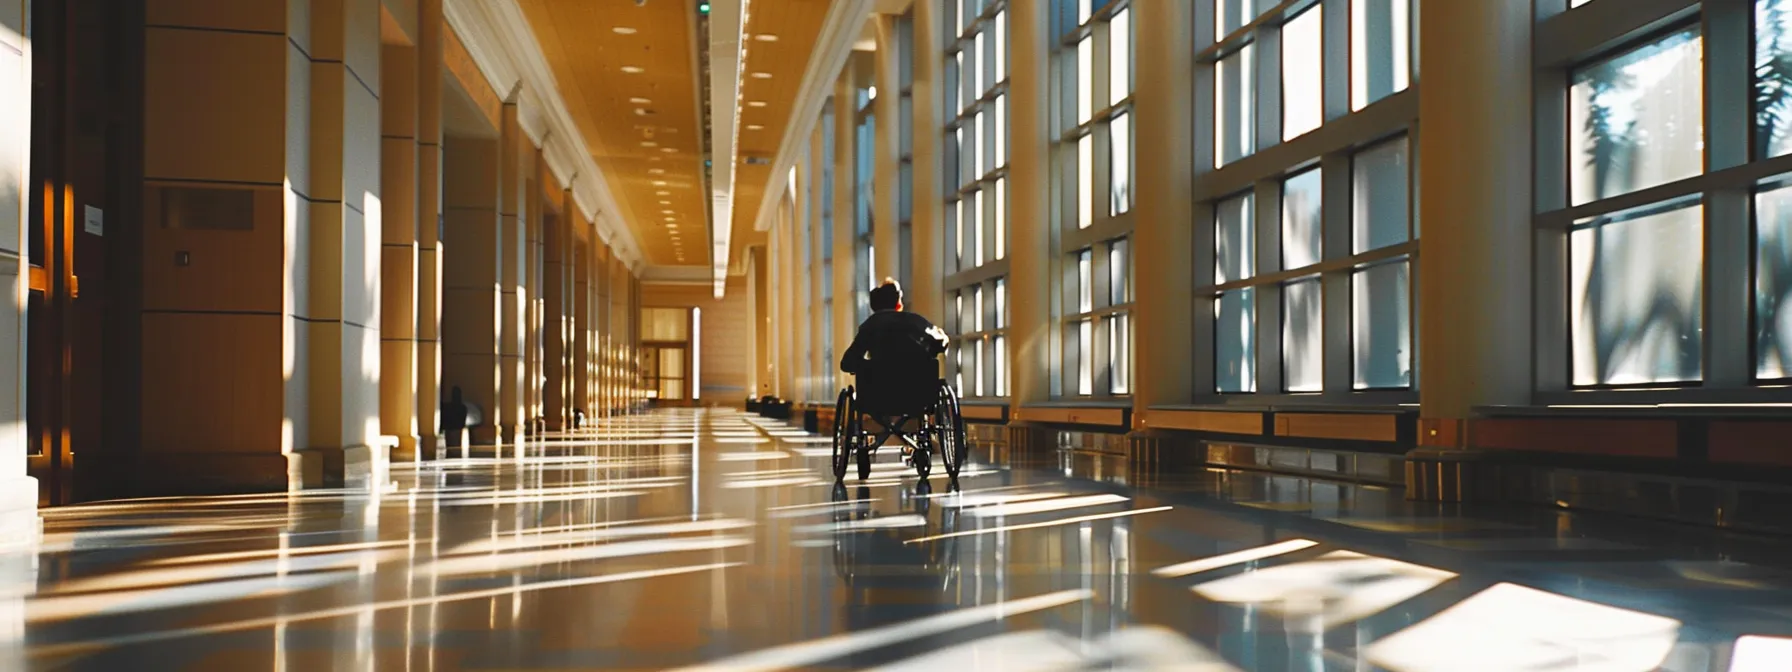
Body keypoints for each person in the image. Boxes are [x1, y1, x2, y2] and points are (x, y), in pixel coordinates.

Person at [840, 278, 949, 375]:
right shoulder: (914, 321)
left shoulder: (869, 326)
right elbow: (941, 341)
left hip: (879, 390)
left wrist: (872, 366)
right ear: (898, 303)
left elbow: (847, 363)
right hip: (916, 388)